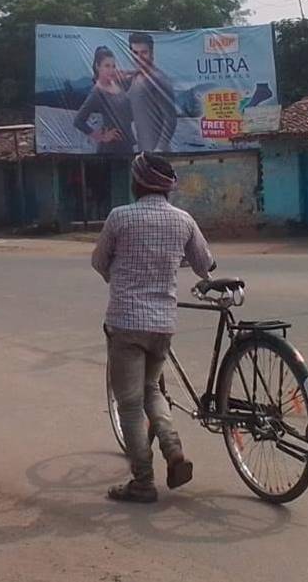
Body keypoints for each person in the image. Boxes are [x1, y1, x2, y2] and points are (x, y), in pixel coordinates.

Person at [92, 153, 214, 504]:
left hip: (126, 323)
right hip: (163, 324)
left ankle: (143, 482)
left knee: (129, 404)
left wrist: (117, 276)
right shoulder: (183, 220)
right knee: (152, 390)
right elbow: (205, 265)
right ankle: (173, 451)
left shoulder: (120, 217)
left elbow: (100, 262)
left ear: (137, 183)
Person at [73, 46, 135, 155]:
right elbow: (78, 121)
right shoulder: (97, 93)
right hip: (111, 149)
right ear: (98, 66)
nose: (111, 70)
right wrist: (102, 137)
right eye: (107, 66)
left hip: (127, 145)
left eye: (113, 66)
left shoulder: (119, 83)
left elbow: (139, 75)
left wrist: (123, 71)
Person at [126, 32, 178, 153]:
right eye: (135, 53)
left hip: (157, 153)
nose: (139, 57)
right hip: (142, 150)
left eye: (144, 52)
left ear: (152, 53)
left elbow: (170, 119)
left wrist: (159, 149)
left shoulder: (158, 79)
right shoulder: (136, 78)